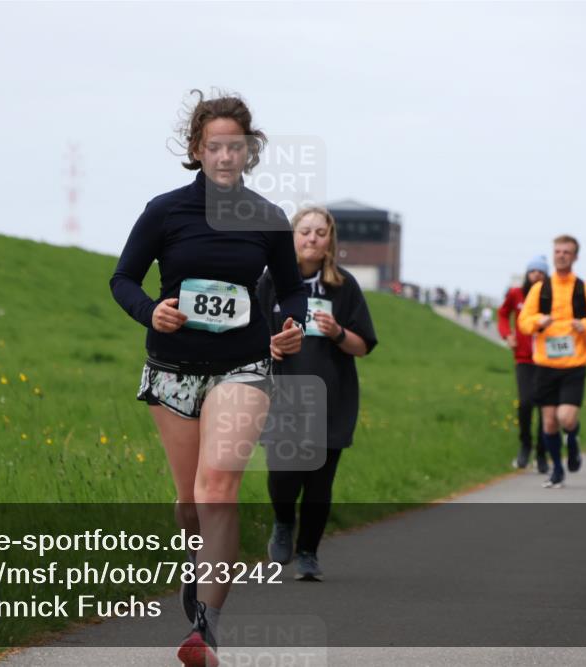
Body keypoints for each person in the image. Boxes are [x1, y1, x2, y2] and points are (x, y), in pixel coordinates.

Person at [109, 90, 307, 666]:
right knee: (190, 500)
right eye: (214, 146)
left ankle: (205, 628)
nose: (225, 156)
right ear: (197, 150)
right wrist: (153, 311)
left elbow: (291, 287)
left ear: (250, 152)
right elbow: (123, 279)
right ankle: (195, 569)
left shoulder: (269, 218)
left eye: (235, 147)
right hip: (172, 367)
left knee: (217, 489)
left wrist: (290, 322)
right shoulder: (165, 211)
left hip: (243, 366)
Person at [257, 206, 378, 582]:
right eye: (305, 231)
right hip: (282, 395)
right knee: (283, 474)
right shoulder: (271, 281)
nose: (312, 238)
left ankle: (308, 552)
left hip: (331, 398)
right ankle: (282, 522)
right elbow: (250, 334)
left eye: (320, 233)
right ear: (292, 237)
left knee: (319, 483)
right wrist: (270, 346)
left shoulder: (343, 286)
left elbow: (363, 346)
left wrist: (338, 332)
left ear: (330, 241)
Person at [518, 235, 586, 489]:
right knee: (548, 422)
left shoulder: (585, 289)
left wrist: (585, 325)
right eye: (558, 251)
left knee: (566, 418)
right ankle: (557, 470)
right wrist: (538, 322)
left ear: (575, 256)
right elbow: (524, 322)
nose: (561, 255)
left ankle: (574, 439)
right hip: (545, 365)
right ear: (553, 254)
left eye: (567, 252)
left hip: (574, 365)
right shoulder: (540, 289)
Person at [498, 256, 549, 472]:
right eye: (533, 271)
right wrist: (507, 335)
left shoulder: (550, 296)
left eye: (540, 272)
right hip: (524, 358)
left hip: (547, 359)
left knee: (545, 408)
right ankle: (525, 445)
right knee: (526, 402)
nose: (536, 275)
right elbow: (502, 314)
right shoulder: (516, 294)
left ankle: (542, 452)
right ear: (527, 273)